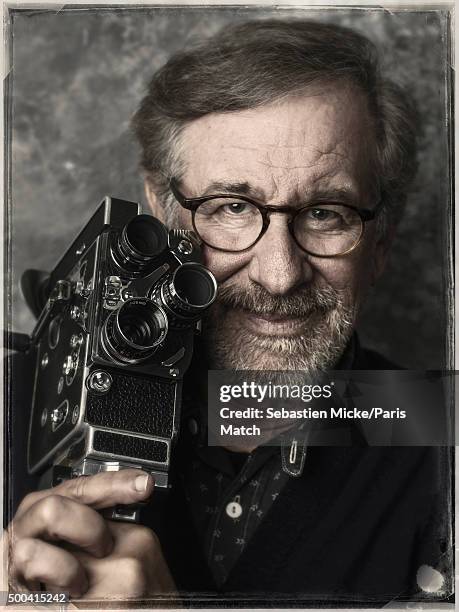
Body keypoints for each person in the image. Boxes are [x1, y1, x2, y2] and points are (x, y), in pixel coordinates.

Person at [5, 19, 450, 606]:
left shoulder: (441, 438)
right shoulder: (19, 398)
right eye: (233, 207)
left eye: (325, 213)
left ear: (381, 243)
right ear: (163, 214)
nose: (280, 275)